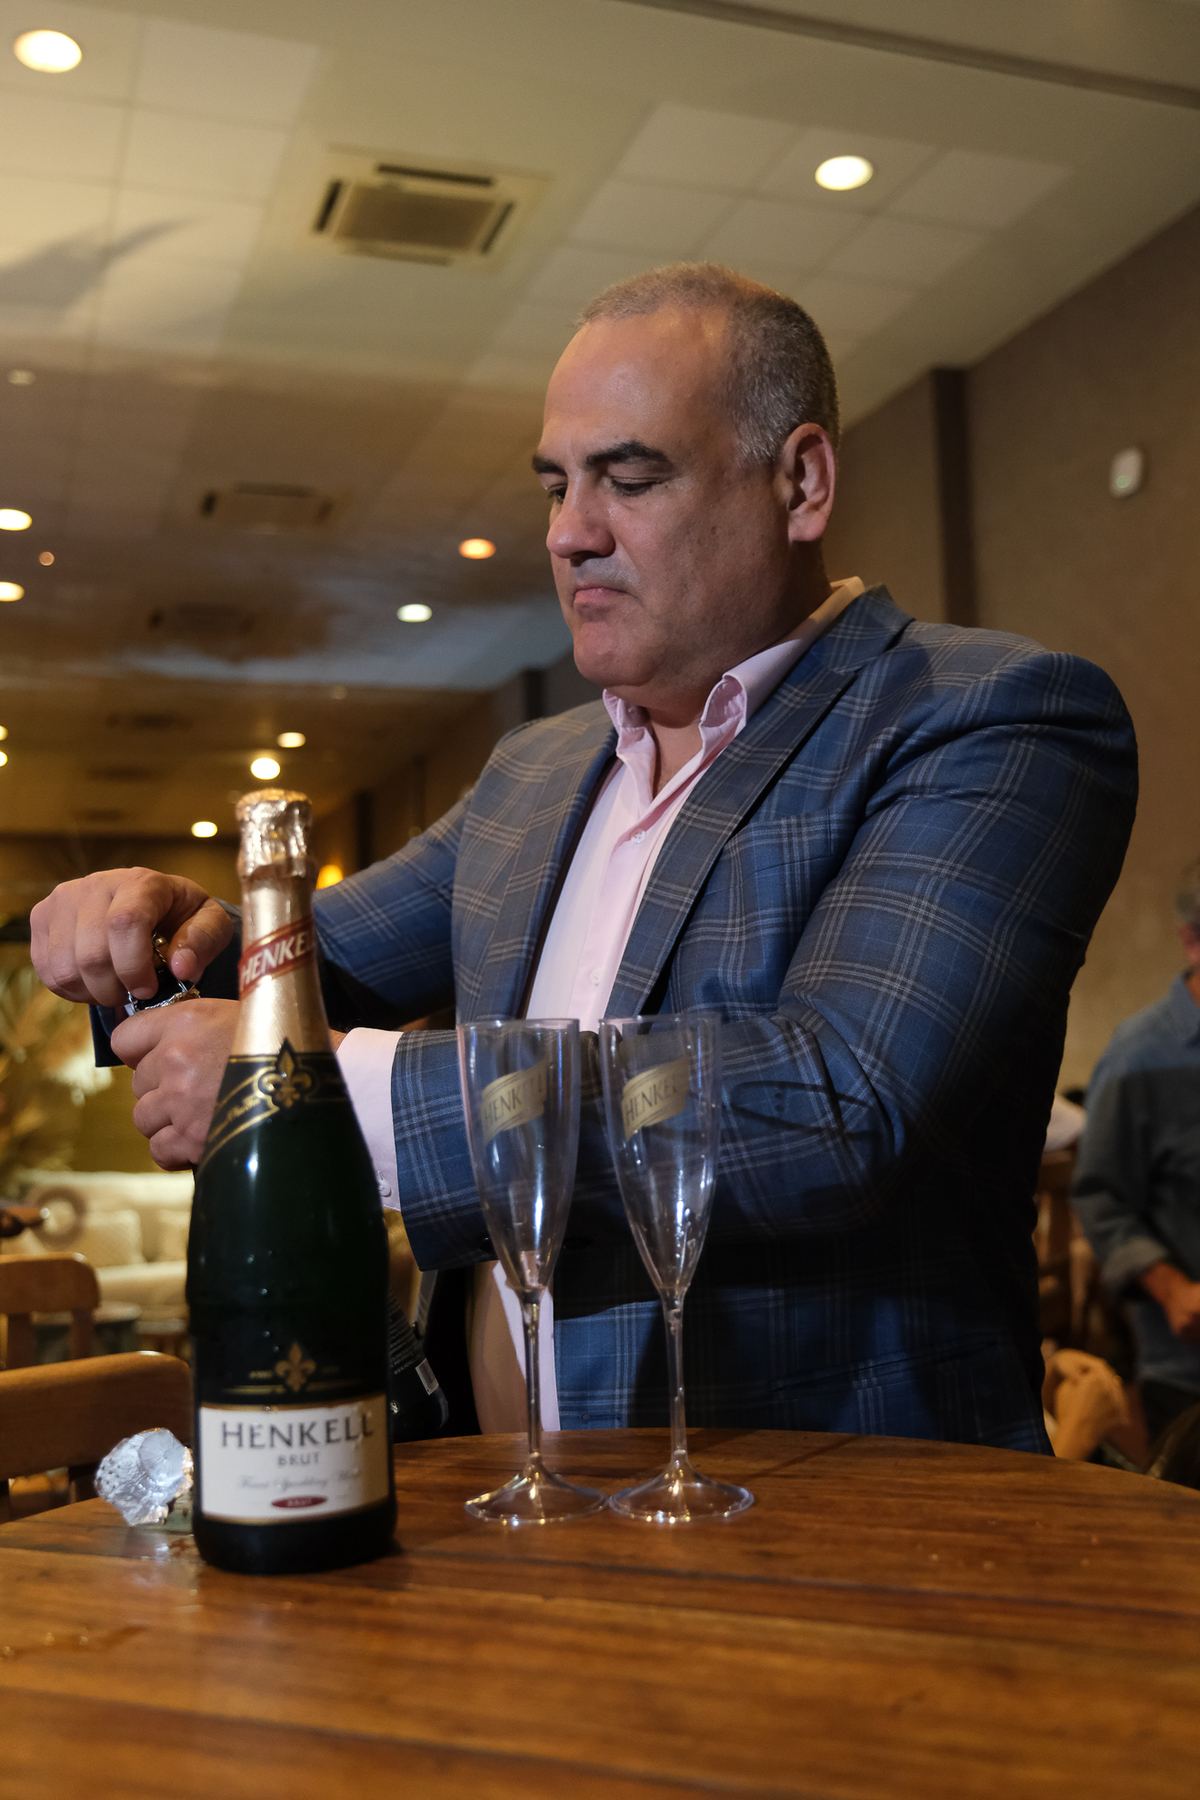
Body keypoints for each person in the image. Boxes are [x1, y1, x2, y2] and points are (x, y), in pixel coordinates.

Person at [31, 263, 1137, 1451]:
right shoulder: (536, 771)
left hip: (825, 1509)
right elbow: (292, 978)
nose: (570, 534)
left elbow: (833, 1101)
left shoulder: (988, 717)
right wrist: (142, 939)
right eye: (558, 485)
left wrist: (324, 1092)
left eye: (632, 478)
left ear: (802, 481)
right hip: (497, 1495)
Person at [1072, 865, 1200, 1443]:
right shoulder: (1139, 1056)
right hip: (1188, 1372)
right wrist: (1173, 1290)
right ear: (1191, 940)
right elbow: (1100, 1197)